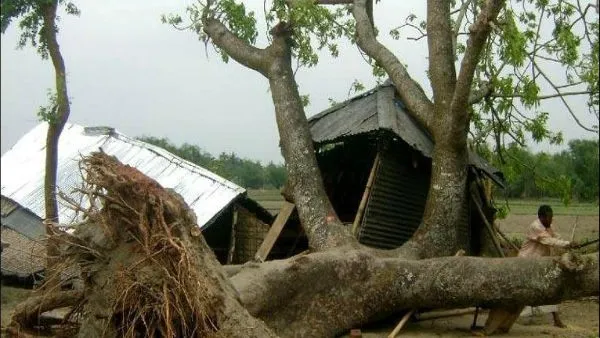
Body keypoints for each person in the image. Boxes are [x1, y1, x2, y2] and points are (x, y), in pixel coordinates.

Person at [479, 205, 575, 335]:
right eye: (549, 218)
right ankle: (489, 329)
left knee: (527, 297)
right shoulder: (535, 227)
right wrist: (567, 244)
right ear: (541, 217)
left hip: (536, 267)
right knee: (513, 298)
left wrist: (569, 243)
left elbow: (555, 238)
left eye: (552, 218)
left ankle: (504, 327)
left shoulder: (548, 227)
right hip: (524, 266)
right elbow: (548, 241)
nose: (551, 220)